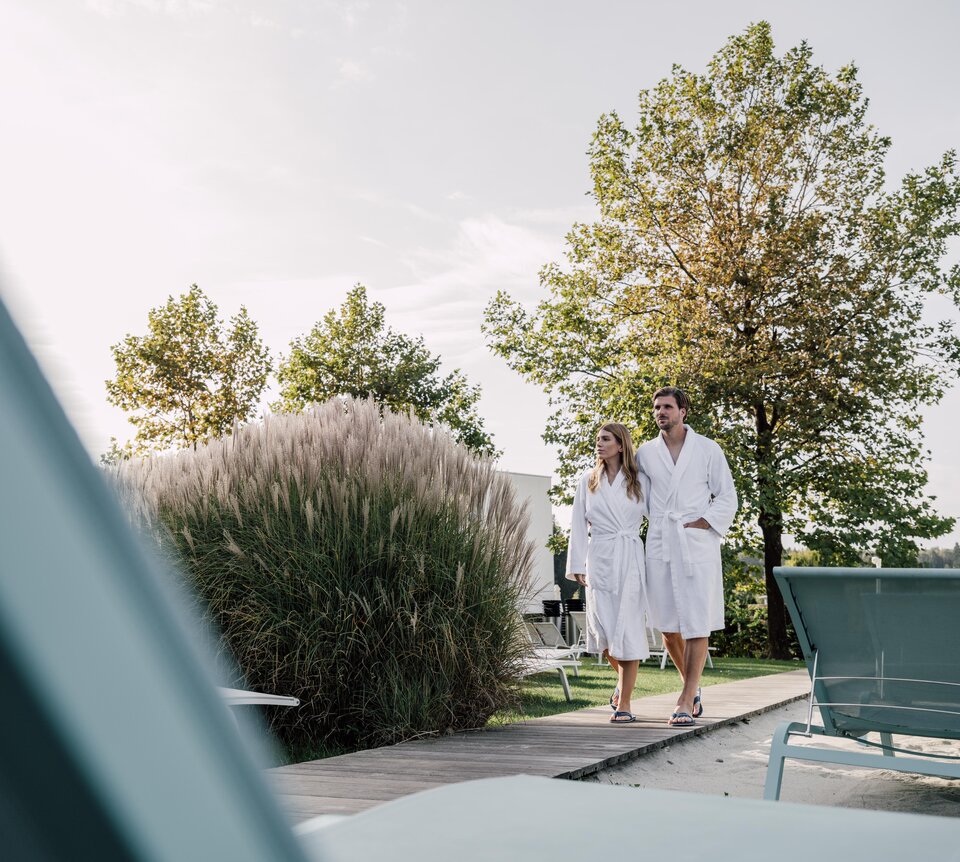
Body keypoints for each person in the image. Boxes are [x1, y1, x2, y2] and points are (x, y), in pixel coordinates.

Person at [636, 387, 738, 727]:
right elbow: (637, 495)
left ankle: (685, 696)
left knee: (697, 620)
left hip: (695, 542)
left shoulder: (708, 449)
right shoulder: (645, 453)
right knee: (667, 625)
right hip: (662, 541)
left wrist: (704, 522)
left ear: (683, 411)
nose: (660, 412)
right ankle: (690, 688)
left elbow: (727, 495)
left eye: (667, 407)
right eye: (656, 408)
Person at [566, 422, 650, 724]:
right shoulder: (587, 480)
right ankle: (621, 684)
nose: (599, 444)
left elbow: (659, 515)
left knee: (626, 628)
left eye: (606, 439)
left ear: (620, 444)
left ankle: (625, 702)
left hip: (629, 555)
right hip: (599, 556)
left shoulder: (638, 480)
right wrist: (576, 565)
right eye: (598, 439)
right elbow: (577, 523)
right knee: (603, 635)